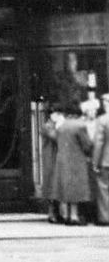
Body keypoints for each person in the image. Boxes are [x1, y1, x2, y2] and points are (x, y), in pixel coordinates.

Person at [53, 101, 95, 225]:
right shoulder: (80, 126)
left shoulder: (61, 126)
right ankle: (74, 216)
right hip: (76, 161)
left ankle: (66, 215)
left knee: (65, 188)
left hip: (62, 161)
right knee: (76, 190)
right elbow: (87, 145)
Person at [42, 106, 68, 223]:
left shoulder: (54, 125)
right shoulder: (47, 126)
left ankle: (57, 212)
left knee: (56, 185)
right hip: (50, 158)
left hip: (56, 157)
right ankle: (51, 213)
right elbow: (55, 137)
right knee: (51, 185)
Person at [92, 94, 109, 226]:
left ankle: (105, 217)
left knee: (103, 189)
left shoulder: (103, 120)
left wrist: (95, 162)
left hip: (106, 160)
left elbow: (99, 143)